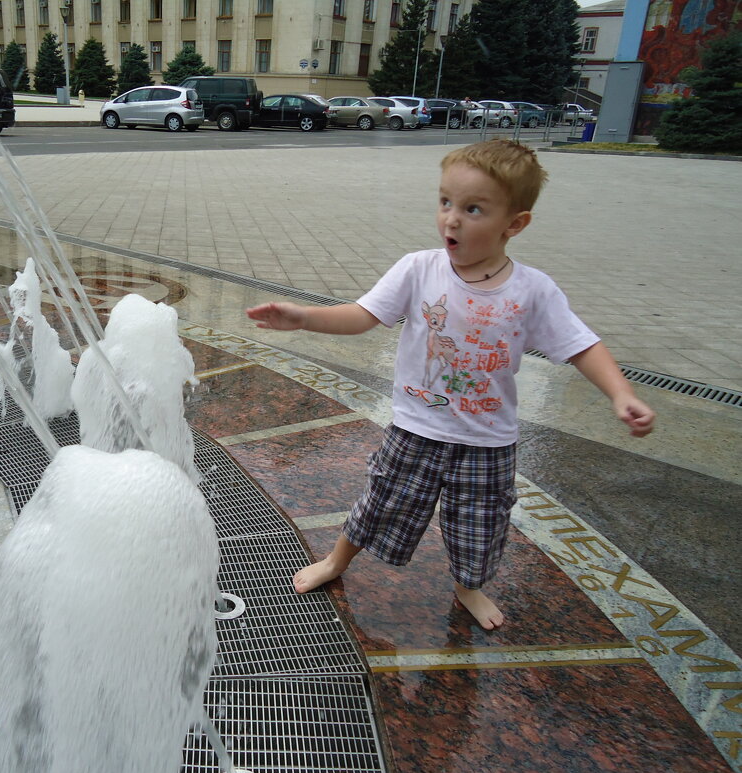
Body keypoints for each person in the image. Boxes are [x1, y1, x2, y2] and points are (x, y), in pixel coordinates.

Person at [245, 139, 655, 630]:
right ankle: (336, 561)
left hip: (487, 441)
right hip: (417, 427)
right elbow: (361, 316)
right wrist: (305, 317)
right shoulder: (419, 269)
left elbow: (581, 345)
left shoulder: (532, 290)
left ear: (515, 223)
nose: (451, 219)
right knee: (381, 501)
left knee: (479, 527)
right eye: (445, 202)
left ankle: (468, 586)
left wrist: (621, 392)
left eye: (472, 208)